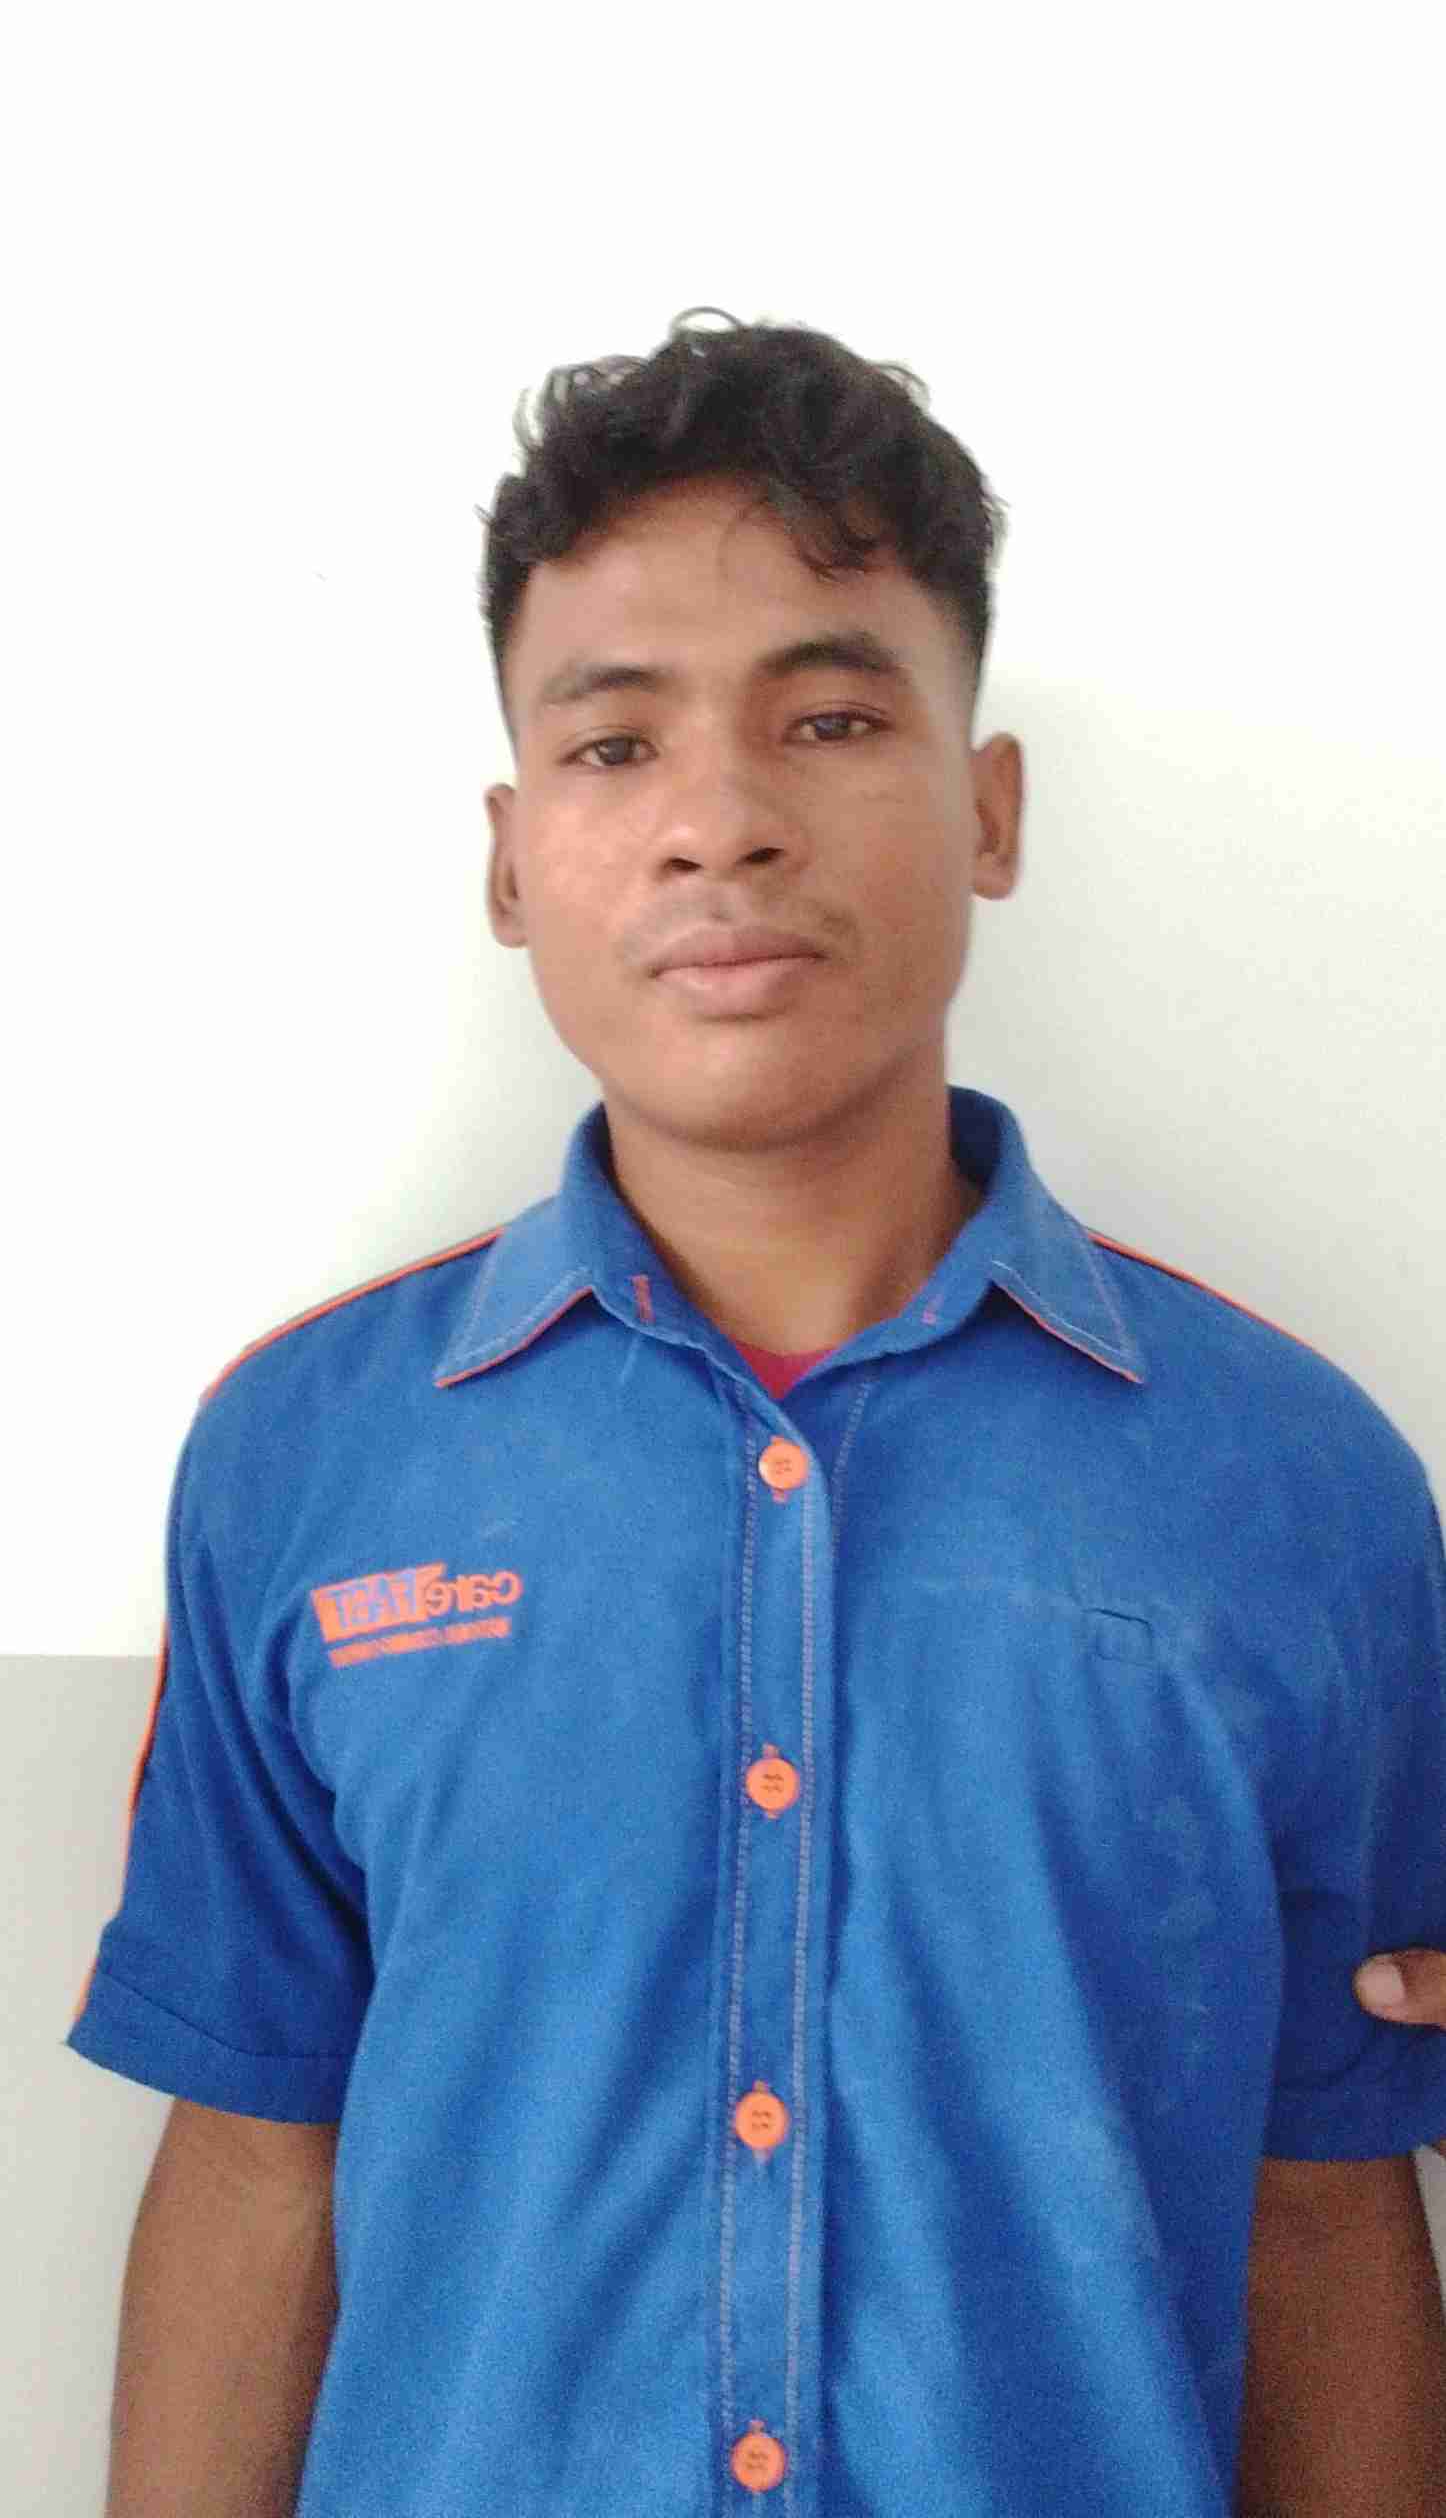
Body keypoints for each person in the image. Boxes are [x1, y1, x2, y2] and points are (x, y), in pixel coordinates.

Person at [66, 309, 1446, 2518]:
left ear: (987, 808)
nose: (719, 823)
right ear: (509, 858)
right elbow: (254, 2157)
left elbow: (1326, 2210)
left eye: (828, 717)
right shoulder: (306, 1459)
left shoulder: (1300, 1487)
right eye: (614, 746)